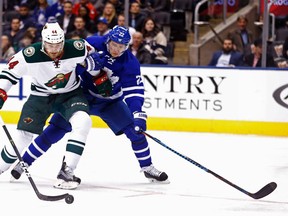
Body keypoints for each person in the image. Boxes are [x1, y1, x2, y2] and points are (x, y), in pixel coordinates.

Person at [10, 25, 169, 188]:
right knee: (55, 130)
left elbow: (134, 90)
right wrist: (86, 66)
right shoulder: (93, 43)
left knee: (136, 133)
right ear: (108, 40)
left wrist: (137, 112)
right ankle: (24, 162)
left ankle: (147, 167)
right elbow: (70, 61)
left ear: (127, 46)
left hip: (110, 102)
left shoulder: (130, 63)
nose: (116, 49)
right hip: (81, 96)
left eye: (121, 47)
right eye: (114, 45)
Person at [0, 21, 99, 189]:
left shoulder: (77, 47)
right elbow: (8, 73)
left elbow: (96, 55)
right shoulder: (29, 55)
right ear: (43, 42)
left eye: (58, 45)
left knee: (83, 121)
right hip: (40, 96)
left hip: (70, 94)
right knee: (22, 136)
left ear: (63, 40)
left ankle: (67, 171)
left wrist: (97, 71)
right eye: (50, 45)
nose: (54, 50)